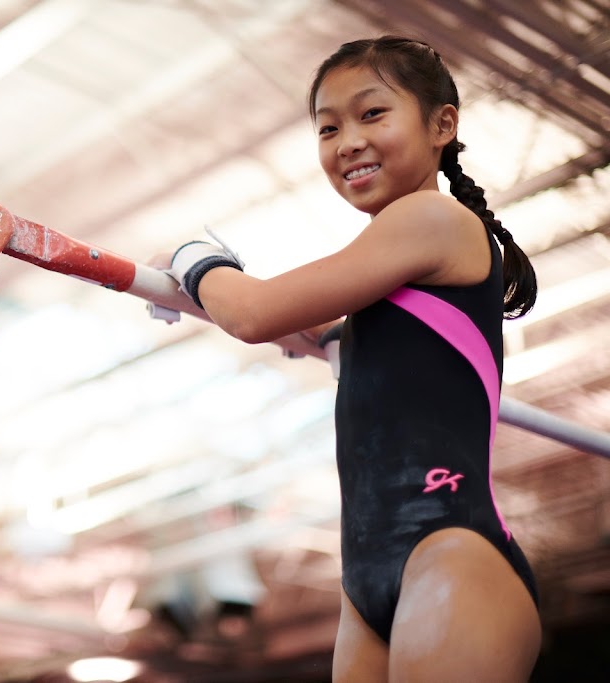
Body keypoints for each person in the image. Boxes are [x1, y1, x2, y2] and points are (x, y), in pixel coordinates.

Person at [158, 36, 541, 682]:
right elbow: (321, 325)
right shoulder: (385, 290)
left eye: (372, 114)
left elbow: (253, 313)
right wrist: (328, 336)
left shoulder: (434, 219)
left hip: (451, 550)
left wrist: (190, 258)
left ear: (442, 125)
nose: (348, 142)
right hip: (366, 581)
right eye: (328, 128)